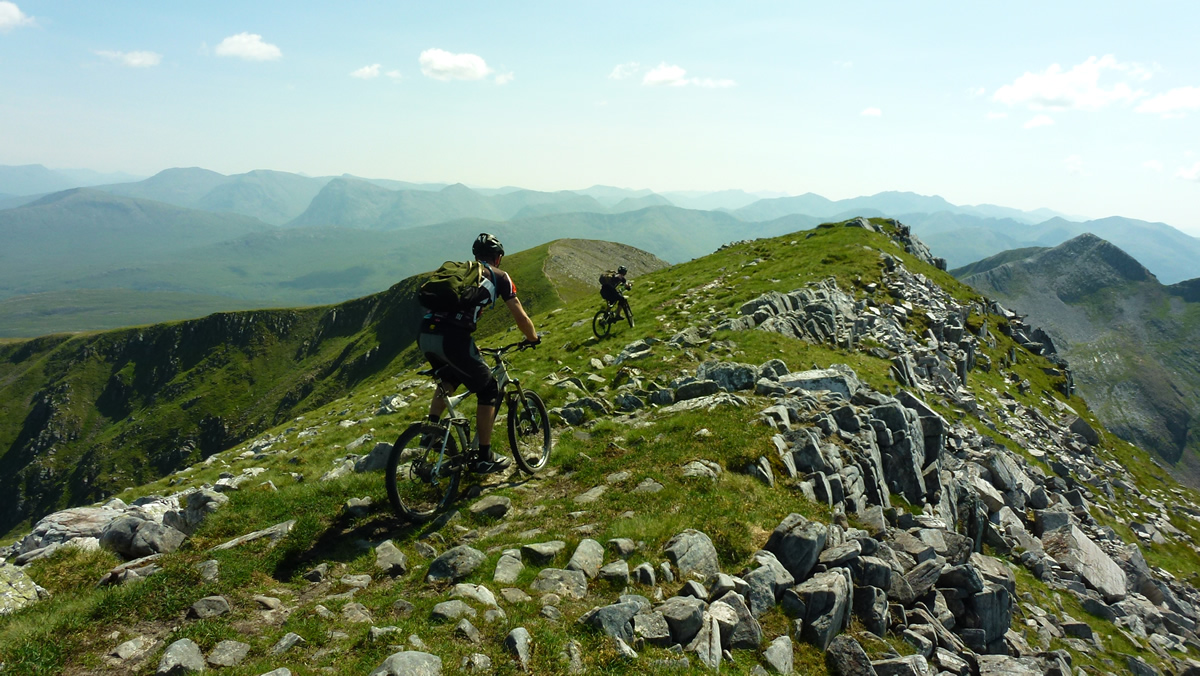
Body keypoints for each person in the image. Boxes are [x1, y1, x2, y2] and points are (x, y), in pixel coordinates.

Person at [418, 233, 539, 473]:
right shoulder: (500, 277)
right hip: (452, 339)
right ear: (499, 257)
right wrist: (532, 338)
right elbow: (521, 316)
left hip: (425, 333)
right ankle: (484, 456)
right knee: (489, 389)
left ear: (476, 255)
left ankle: (430, 433)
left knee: (450, 377)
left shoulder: (464, 273)